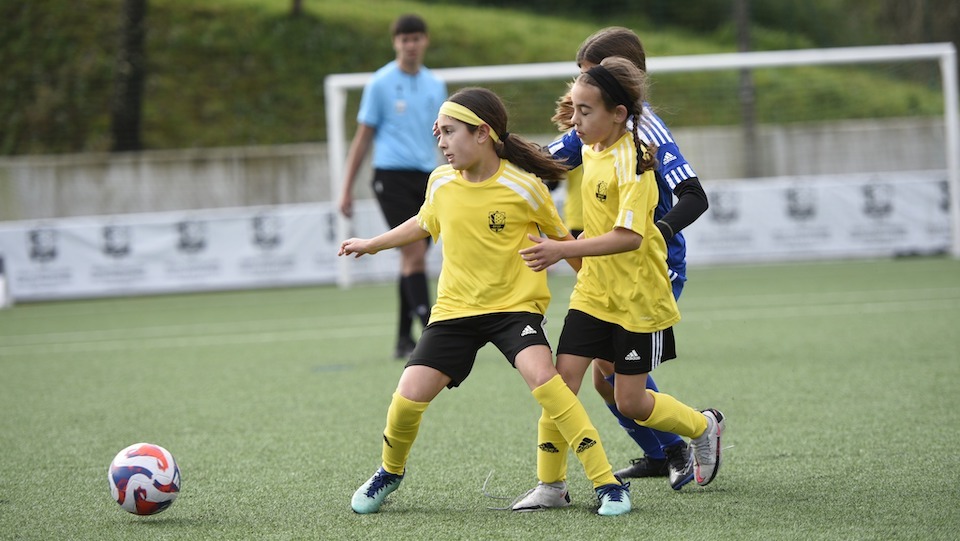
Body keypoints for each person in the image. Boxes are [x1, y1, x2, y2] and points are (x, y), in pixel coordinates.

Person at [341, 87, 632, 516]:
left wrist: (596, 287)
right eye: (437, 134)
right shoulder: (440, 181)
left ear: (482, 134)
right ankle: (390, 471)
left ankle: (607, 484)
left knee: (547, 384)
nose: (441, 143)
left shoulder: (525, 187)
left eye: (449, 132)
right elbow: (423, 221)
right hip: (454, 312)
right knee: (406, 399)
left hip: (514, 309)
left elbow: (562, 242)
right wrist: (373, 244)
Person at [511, 56, 724, 511]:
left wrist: (562, 248)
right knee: (559, 385)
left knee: (631, 401)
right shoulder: (591, 146)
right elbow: (546, 163)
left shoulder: (637, 162)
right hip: (593, 292)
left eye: (584, 112)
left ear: (619, 114)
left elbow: (628, 237)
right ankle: (551, 486)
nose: (575, 121)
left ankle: (702, 427)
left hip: (636, 298)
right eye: (573, 109)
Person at [338, 14, 447, 360]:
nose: (410, 45)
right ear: (395, 43)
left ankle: (403, 338)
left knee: (410, 259)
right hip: (391, 176)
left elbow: (445, 136)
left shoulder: (435, 85)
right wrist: (346, 187)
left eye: (416, 38)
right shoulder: (381, 83)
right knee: (413, 253)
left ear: (425, 41)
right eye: (404, 40)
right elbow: (363, 137)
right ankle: (432, 331)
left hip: (427, 178)